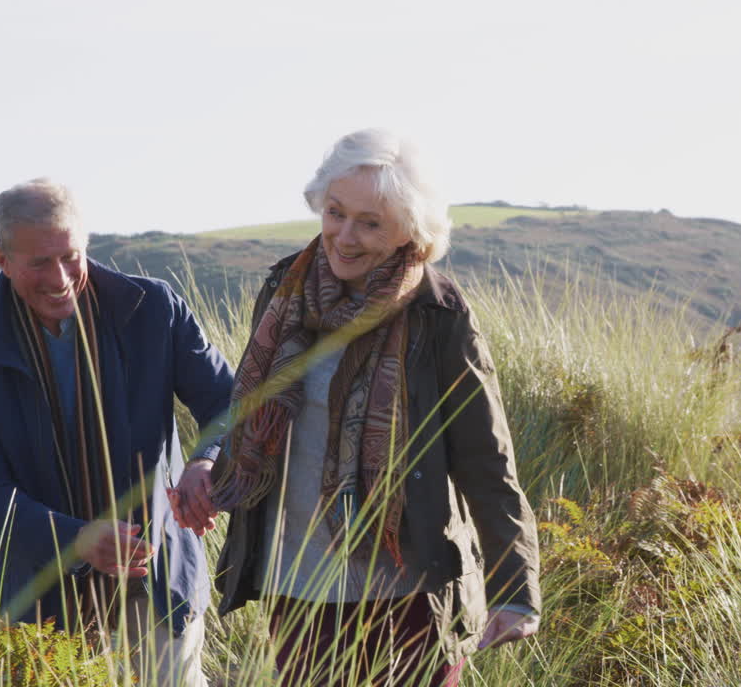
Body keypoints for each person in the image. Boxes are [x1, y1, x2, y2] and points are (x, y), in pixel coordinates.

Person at [169, 129, 541, 685]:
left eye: (371, 223)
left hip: (408, 586)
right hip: (297, 584)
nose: (345, 236)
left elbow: (485, 458)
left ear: (409, 232)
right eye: (336, 213)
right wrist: (210, 464)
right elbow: (255, 416)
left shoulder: (437, 313)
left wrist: (516, 590)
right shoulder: (284, 293)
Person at [0, 178, 234, 686]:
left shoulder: (155, 308)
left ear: (86, 242)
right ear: (1, 259)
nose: (59, 279)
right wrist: (76, 540)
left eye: (70, 257)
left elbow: (231, 405)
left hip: (161, 575)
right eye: (38, 263)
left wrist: (206, 462)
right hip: (44, 595)